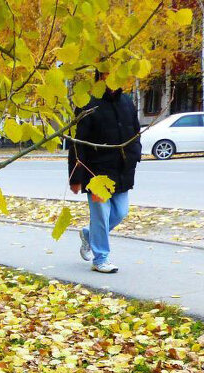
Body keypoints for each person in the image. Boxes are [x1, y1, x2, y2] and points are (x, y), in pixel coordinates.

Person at [67, 69, 142, 274]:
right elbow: (76, 144)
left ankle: (89, 236)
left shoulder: (126, 102)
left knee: (120, 212)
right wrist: (75, 177)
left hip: (122, 170)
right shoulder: (87, 104)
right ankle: (101, 258)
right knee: (101, 215)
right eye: (108, 74)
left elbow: (135, 133)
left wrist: (135, 155)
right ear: (100, 77)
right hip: (96, 173)